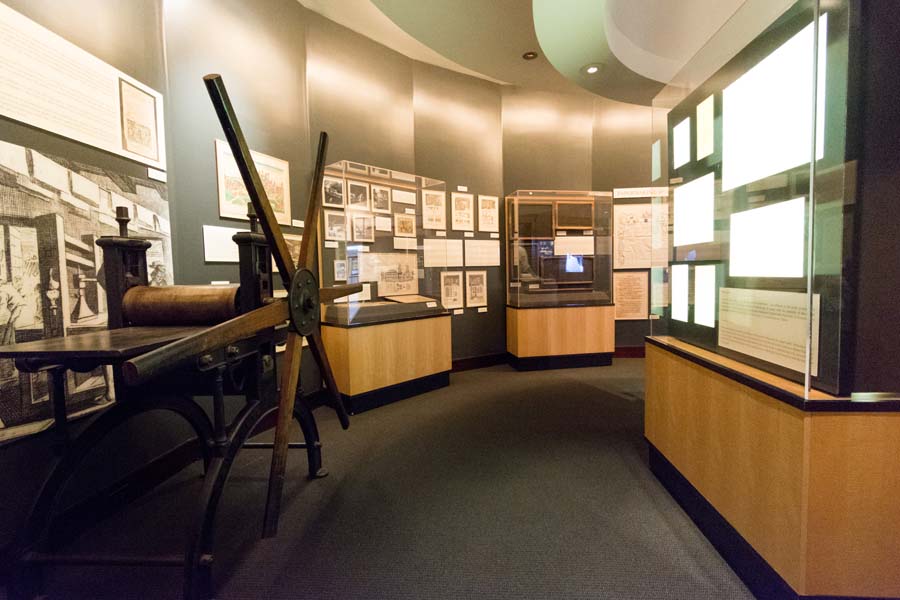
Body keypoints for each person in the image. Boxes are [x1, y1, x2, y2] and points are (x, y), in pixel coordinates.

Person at [0, 278, 26, 346]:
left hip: (15, 308)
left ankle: (6, 349)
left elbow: (3, 308)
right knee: (9, 329)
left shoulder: (3, 290)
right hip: (12, 309)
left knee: (6, 330)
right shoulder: (6, 288)